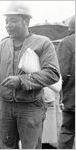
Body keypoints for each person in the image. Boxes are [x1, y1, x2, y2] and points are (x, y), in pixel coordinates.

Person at [0, 2, 60, 149]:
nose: (8, 25)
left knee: (30, 147)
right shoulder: (2, 45)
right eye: (6, 21)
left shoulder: (43, 43)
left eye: (13, 21)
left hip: (30, 107)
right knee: (5, 146)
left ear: (26, 21)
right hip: (5, 107)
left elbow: (52, 73)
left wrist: (21, 81)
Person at [57, 15, 75, 149]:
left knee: (67, 132)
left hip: (72, 98)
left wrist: (60, 95)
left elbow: (62, 73)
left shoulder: (67, 43)